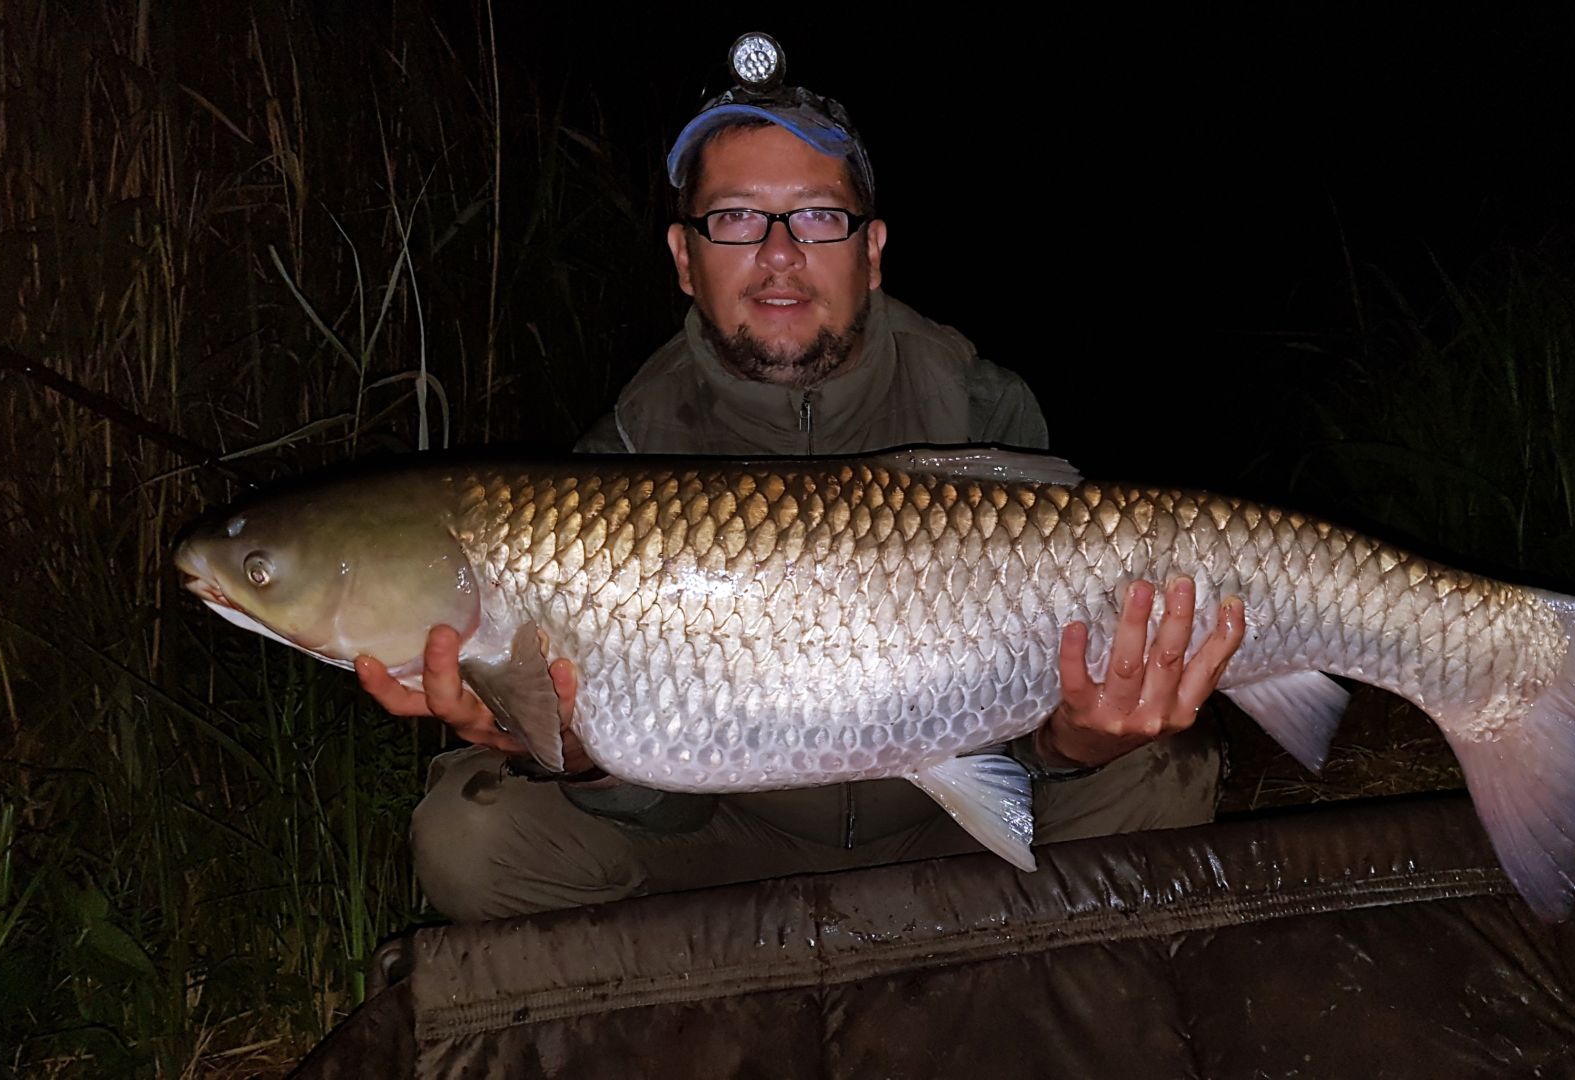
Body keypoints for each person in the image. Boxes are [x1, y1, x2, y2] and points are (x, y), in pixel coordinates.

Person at [355, 34, 1247, 922]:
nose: (779, 253)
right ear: (682, 257)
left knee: (1166, 773)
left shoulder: (983, 407)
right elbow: (662, 799)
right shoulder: (618, 458)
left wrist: (1078, 744)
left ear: (872, 250)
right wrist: (574, 751)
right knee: (472, 838)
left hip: (949, 818)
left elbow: (1033, 727)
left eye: (819, 217)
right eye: (736, 217)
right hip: (733, 837)